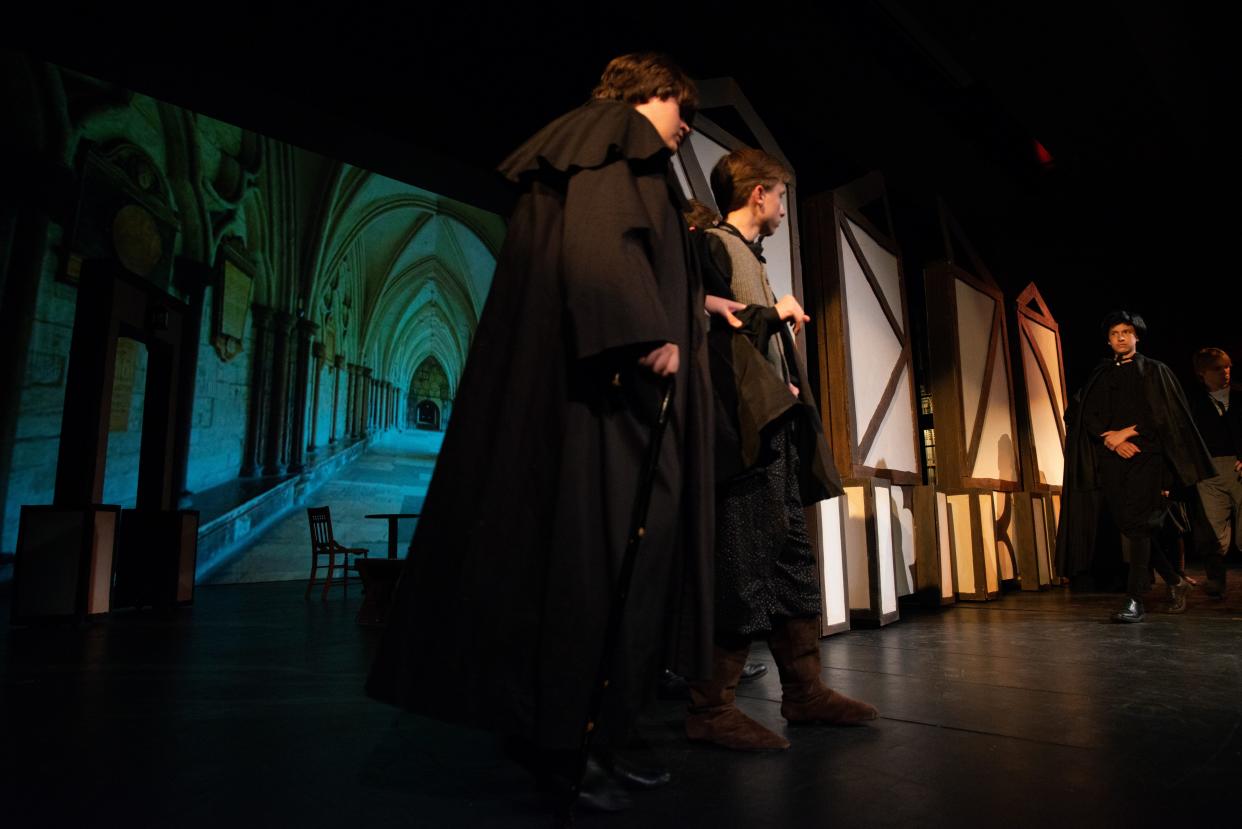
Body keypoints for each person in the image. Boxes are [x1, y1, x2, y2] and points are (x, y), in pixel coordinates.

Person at [366, 53, 716, 810]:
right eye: (678, 106)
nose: (685, 125)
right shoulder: (612, 131)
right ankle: (567, 745)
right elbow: (599, 241)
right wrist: (644, 331)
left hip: (613, 396)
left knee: (607, 570)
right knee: (591, 571)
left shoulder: (615, 145)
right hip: (611, 395)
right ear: (645, 93)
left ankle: (591, 737)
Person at [684, 148, 877, 752]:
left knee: (792, 557)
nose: (784, 207)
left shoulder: (746, 253)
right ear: (760, 193)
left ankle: (805, 690)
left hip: (775, 428)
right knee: (744, 561)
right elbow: (704, 325)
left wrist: (783, 378)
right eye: (782, 195)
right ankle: (711, 707)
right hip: (743, 436)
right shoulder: (712, 245)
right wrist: (776, 314)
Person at [1056, 311, 1214, 622]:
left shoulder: (1155, 371)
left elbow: (1167, 415)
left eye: (1126, 332)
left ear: (1137, 336)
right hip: (1112, 458)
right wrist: (1109, 438)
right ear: (1108, 339)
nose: (1120, 337)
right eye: (1115, 333)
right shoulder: (1099, 375)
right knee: (1129, 526)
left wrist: (1126, 433)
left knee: (1140, 525)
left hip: (1147, 456)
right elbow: (1079, 413)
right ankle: (1175, 581)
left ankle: (1134, 600)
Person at [1188, 347, 1241, 597]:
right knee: (1212, 528)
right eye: (1217, 368)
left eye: (1227, 366)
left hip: (1237, 467)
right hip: (1208, 470)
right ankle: (1216, 580)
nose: (1225, 372)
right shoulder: (1194, 403)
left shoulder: (1240, 396)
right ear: (1202, 373)